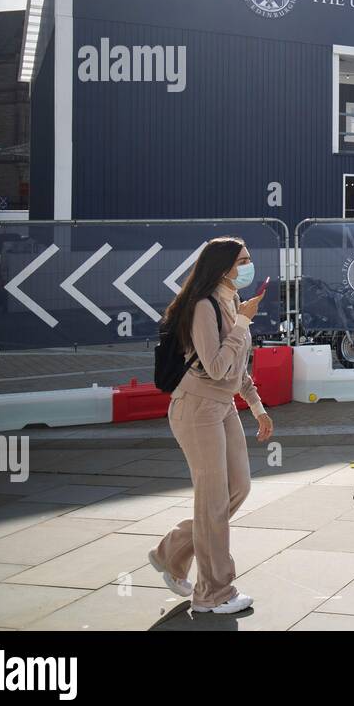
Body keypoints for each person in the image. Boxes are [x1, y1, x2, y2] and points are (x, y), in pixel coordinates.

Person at [149, 237, 273, 615]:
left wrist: (257, 407)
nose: (248, 266)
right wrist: (244, 323)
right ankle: (213, 594)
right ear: (222, 267)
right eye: (243, 260)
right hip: (197, 409)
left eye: (250, 259)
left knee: (238, 488)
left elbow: (237, 369)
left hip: (223, 407)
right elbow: (217, 365)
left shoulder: (231, 301)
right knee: (214, 502)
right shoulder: (204, 307)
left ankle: (170, 552)